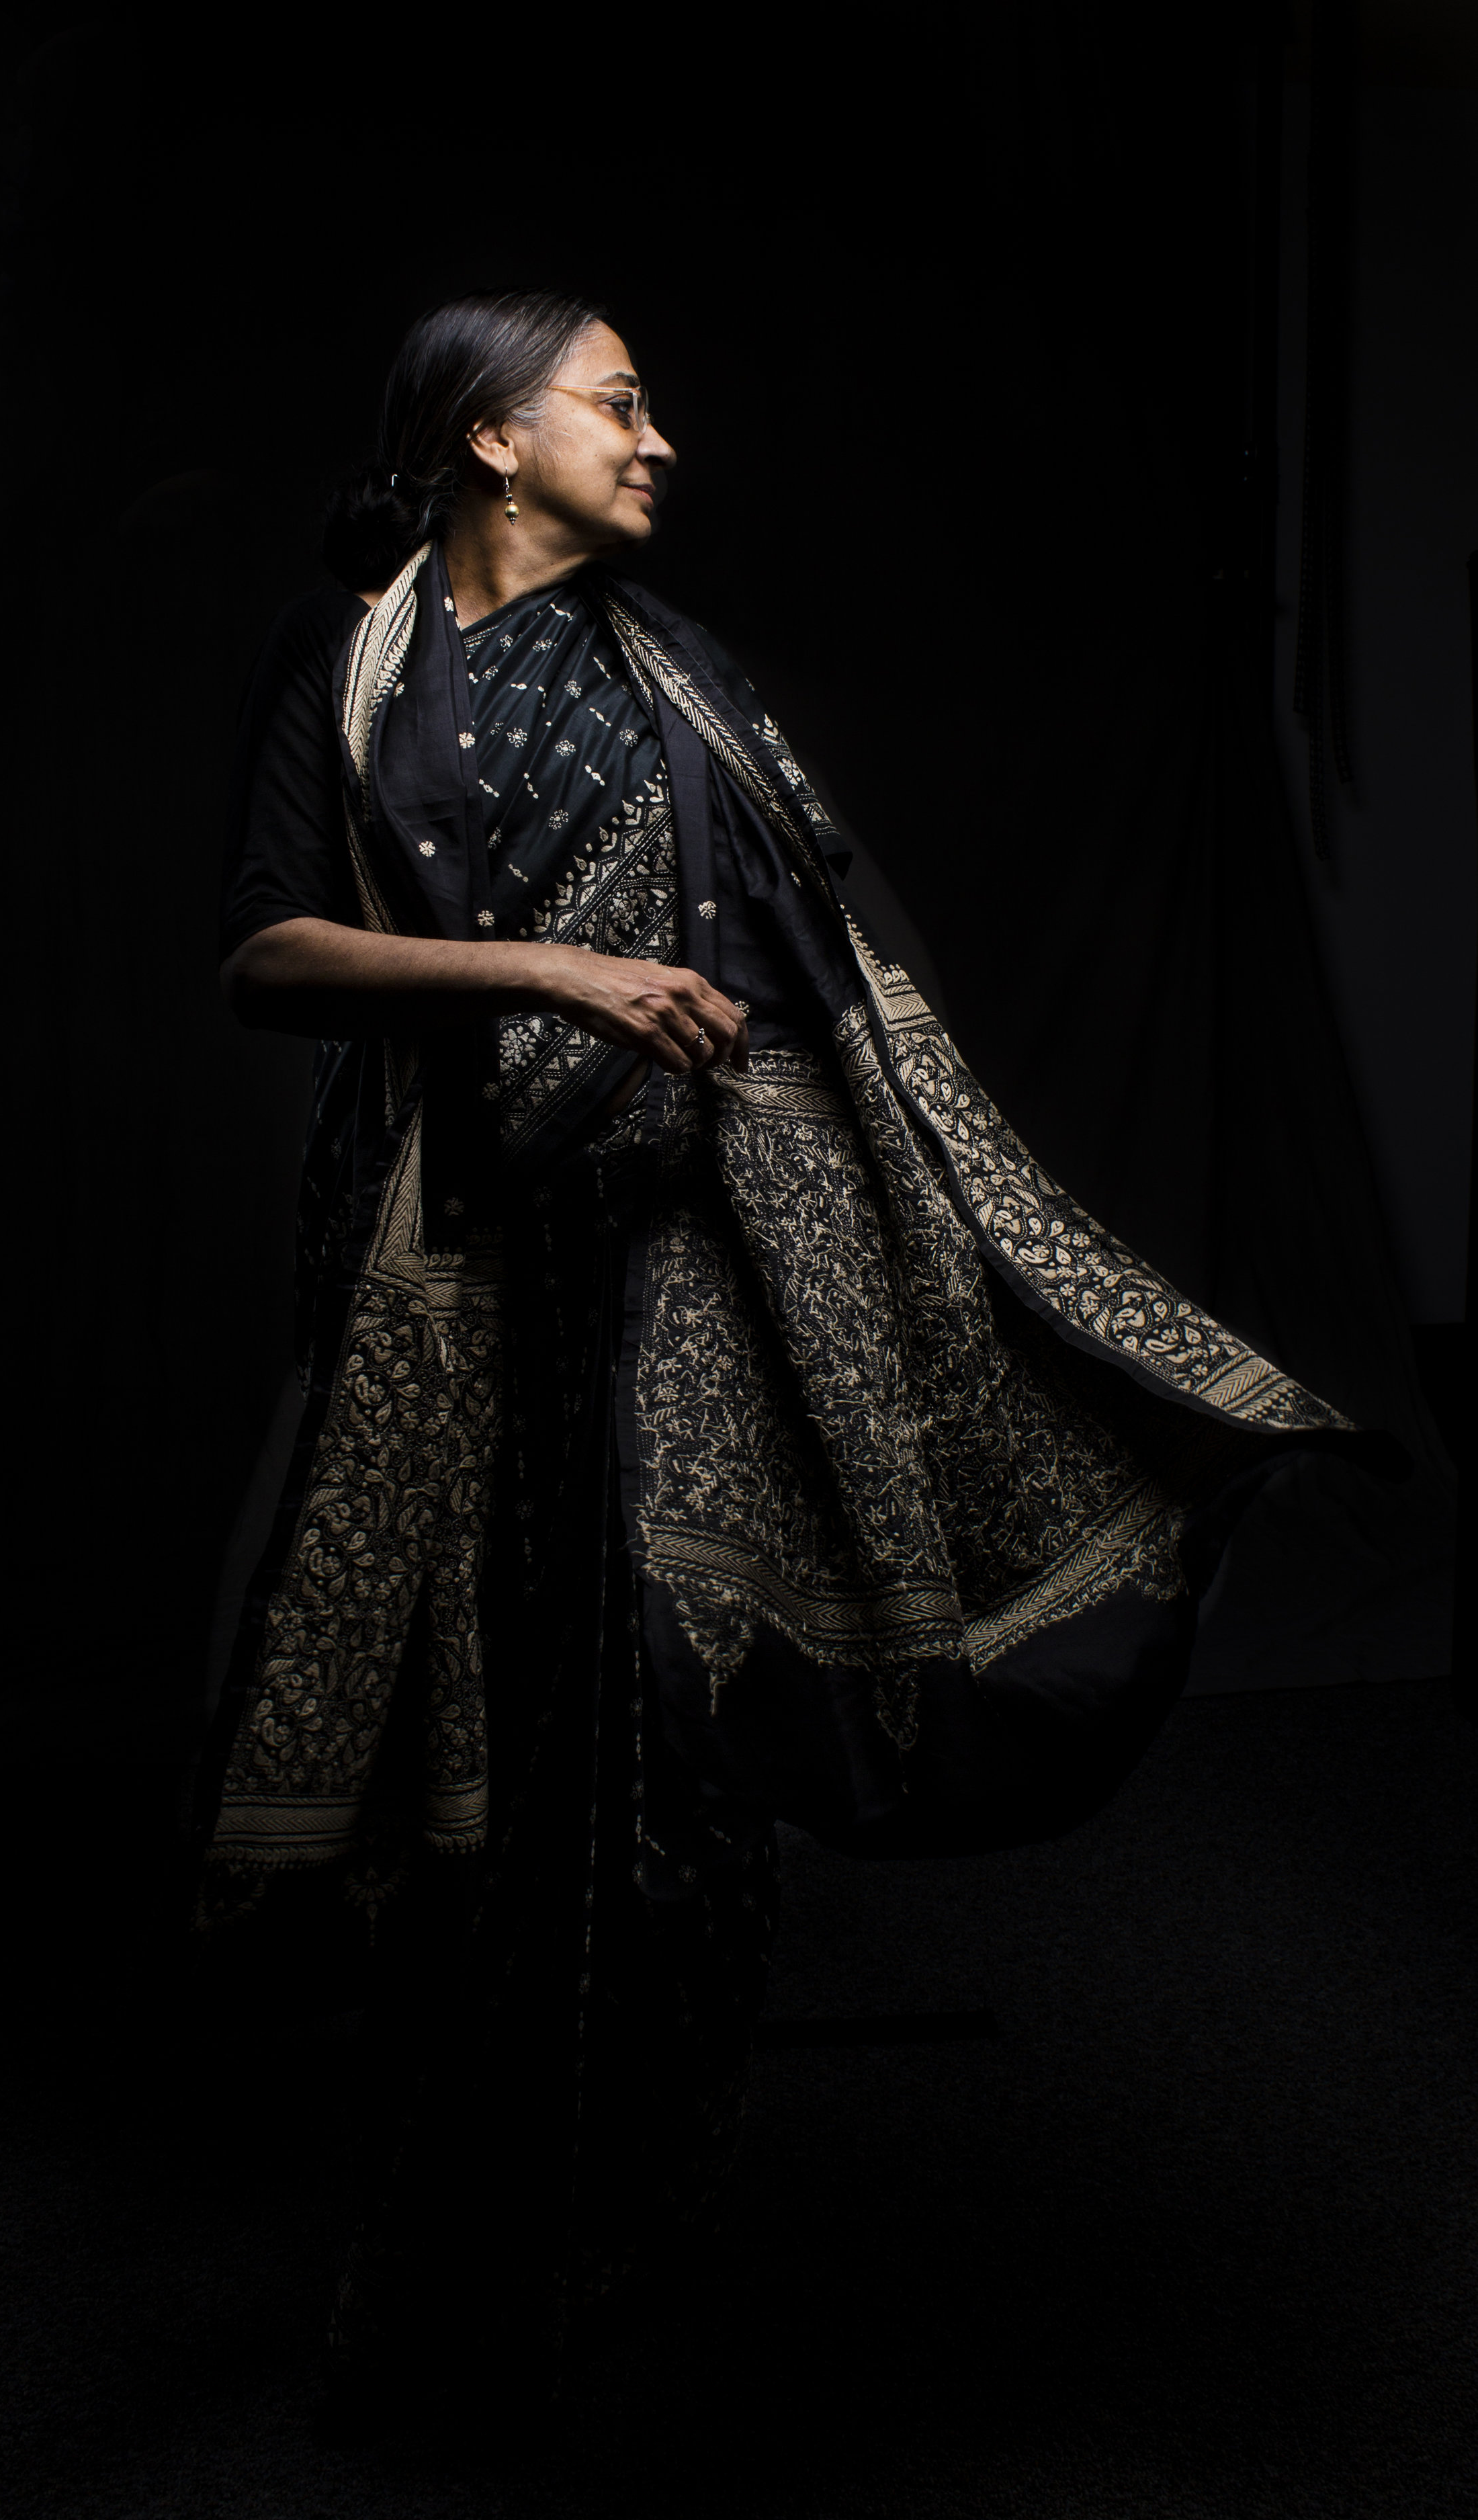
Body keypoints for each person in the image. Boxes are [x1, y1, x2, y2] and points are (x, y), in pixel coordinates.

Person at [199, 287, 1364, 2410]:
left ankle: (614, 2203)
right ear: (486, 436)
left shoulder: (684, 687)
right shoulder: (341, 655)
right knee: (467, 1766)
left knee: (652, 1743)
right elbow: (268, 953)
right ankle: (446, 2235)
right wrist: (552, 973)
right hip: (437, 1272)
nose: (659, 444)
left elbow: (821, 985)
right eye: (617, 405)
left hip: (669, 1285)